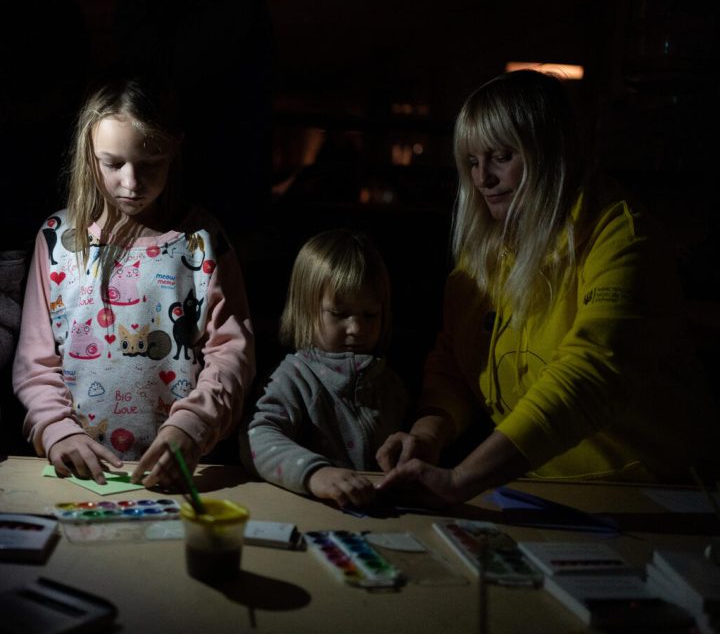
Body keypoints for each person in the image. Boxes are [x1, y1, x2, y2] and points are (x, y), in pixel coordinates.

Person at [376, 69, 718, 506]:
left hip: (657, 496)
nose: (483, 178)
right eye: (473, 162)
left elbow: (589, 375)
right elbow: (456, 364)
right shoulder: (488, 250)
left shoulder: (622, 238)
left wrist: (463, 479)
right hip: (550, 496)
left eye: (501, 155)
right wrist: (426, 435)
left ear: (551, 151)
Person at [12, 73, 255, 487]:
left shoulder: (203, 241)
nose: (131, 182)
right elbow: (35, 361)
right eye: (113, 163)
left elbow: (231, 352)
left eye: (150, 164)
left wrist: (194, 426)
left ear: (175, 148)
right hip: (77, 475)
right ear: (89, 151)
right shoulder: (56, 240)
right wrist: (57, 430)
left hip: (181, 474)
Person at [242, 229, 407, 509]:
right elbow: (256, 439)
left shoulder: (391, 384)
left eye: (370, 315)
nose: (357, 329)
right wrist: (315, 473)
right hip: (313, 514)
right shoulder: (293, 378)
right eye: (340, 314)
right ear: (305, 309)